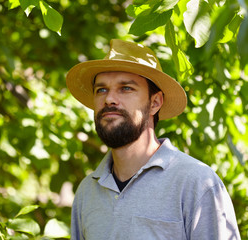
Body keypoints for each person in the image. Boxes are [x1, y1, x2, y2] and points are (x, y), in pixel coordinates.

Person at [66, 39, 241, 239]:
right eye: (101, 90)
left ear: (155, 103)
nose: (109, 99)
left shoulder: (197, 183)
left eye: (126, 88)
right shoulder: (87, 192)